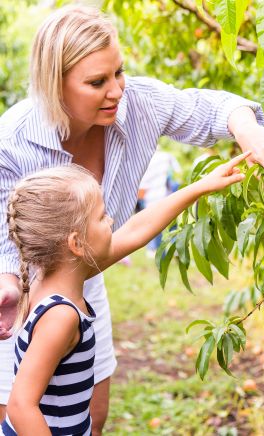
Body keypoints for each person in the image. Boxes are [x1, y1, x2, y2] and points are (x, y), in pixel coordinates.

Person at [0, 5, 264, 434]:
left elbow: (207, 109)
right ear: (55, 84)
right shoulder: (12, 140)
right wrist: (9, 281)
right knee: (23, 407)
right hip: (26, 297)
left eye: (119, 72)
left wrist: (241, 138)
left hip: (81, 277)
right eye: (97, 82)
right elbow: (3, 237)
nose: (117, 90)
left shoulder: (136, 104)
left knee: (89, 414)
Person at [0, 155, 248, 434]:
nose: (111, 220)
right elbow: (21, 405)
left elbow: (134, 231)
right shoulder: (60, 315)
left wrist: (199, 188)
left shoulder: (47, 280)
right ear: (77, 243)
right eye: (101, 216)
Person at [138, 149, 181, 256]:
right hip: (168, 196)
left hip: (152, 200)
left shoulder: (145, 161)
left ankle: (161, 256)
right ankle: (176, 250)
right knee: (173, 225)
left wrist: (139, 204)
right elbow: (178, 171)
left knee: (156, 230)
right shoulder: (166, 156)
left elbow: (142, 187)